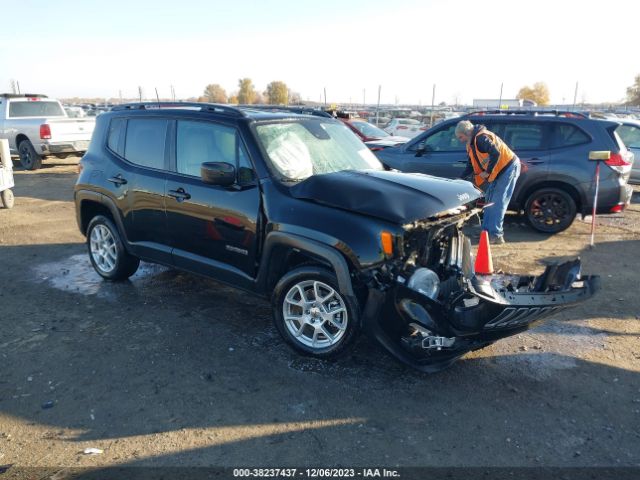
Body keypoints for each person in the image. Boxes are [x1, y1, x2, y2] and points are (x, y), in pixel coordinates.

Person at [455, 120, 521, 244]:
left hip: (507, 168)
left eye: (461, 137)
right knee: (489, 201)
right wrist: (461, 178)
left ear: (467, 133)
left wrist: (488, 171)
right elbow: (471, 164)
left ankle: (496, 235)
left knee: (497, 202)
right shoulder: (471, 143)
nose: (460, 140)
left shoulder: (481, 138)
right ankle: (486, 233)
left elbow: (495, 152)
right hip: (499, 170)